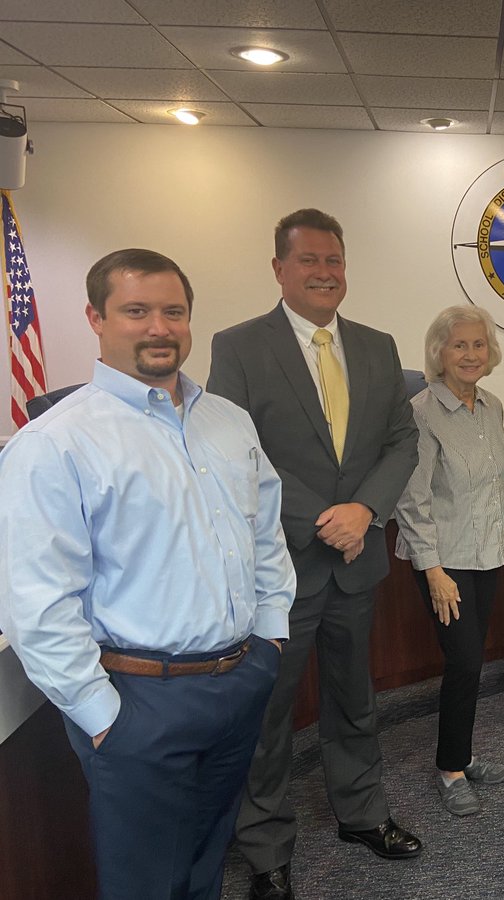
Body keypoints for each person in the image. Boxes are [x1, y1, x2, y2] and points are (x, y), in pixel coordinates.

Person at [0, 249, 295, 900]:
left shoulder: (228, 421)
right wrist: (102, 716)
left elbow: (264, 535)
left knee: (204, 862)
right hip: (136, 701)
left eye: (173, 311)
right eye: (136, 311)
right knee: (144, 885)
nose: (159, 327)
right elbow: (35, 603)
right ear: (95, 318)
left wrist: (268, 641)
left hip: (238, 682)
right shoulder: (56, 443)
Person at [208, 209, 421, 900]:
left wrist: (365, 511)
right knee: (269, 714)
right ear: (278, 269)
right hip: (281, 567)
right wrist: (321, 517)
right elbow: (235, 449)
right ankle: (266, 846)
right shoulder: (238, 346)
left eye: (335, 260)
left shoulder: (378, 346)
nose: (325, 272)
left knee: (353, 698)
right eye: (309, 261)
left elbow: (401, 441)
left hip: (357, 558)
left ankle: (361, 813)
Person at [394, 306, 504, 816]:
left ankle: (463, 755)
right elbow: (411, 498)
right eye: (458, 345)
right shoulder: (421, 412)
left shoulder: (490, 406)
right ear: (439, 354)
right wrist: (434, 570)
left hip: (487, 553)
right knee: (464, 661)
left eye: (478, 345)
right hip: (443, 561)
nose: (470, 354)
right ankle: (450, 768)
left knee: (473, 661)